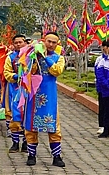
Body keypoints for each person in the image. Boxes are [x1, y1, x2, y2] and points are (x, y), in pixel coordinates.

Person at [23, 33, 66, 167]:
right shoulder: (32, 55)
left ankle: (56, 156)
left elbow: (56, 71)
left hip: (50, 95)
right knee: (31, 125)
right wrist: (35, 56)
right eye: (49, 41)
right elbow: (26, 70)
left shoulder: (59, 58)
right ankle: (31, 155)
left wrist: (45, 58)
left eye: (54, 42)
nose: (51, 44)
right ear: (44, 41)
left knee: (53, 125)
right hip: (34, 94)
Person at [4, 34, 28, 153]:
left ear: (25, 43)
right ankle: (15, 143)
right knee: (15, 114)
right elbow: (6, 72)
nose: (18, 44)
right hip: (14, 89)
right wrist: (15, 76)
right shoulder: (10, 57)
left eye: (20, 42)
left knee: (27, 116)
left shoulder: (31, 56)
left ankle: (26, 142)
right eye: (16, 43)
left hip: (28, 90)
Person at [96, 40, 109, 138]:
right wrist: (108, 85)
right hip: (106, 91)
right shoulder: (102, 61)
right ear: (106, 49)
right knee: (106, 111)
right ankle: (106, 129)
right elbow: (100, 76)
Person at [94, 40, 109, 137]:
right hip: (103, 88)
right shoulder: (100, 60)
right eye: (106, 47)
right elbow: (99, 75)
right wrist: (107, 85)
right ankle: (103, 126)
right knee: (103, 108)